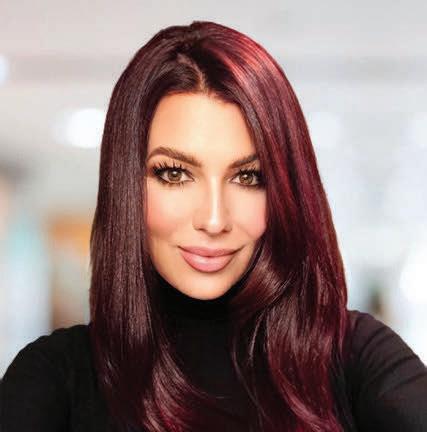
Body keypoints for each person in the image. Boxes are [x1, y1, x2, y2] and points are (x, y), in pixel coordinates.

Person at [1, 20, 426, 432]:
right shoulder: (55, 377)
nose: (214, 219)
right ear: (126, 184)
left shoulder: (354, 356)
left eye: (249, 177)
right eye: (174, 174)